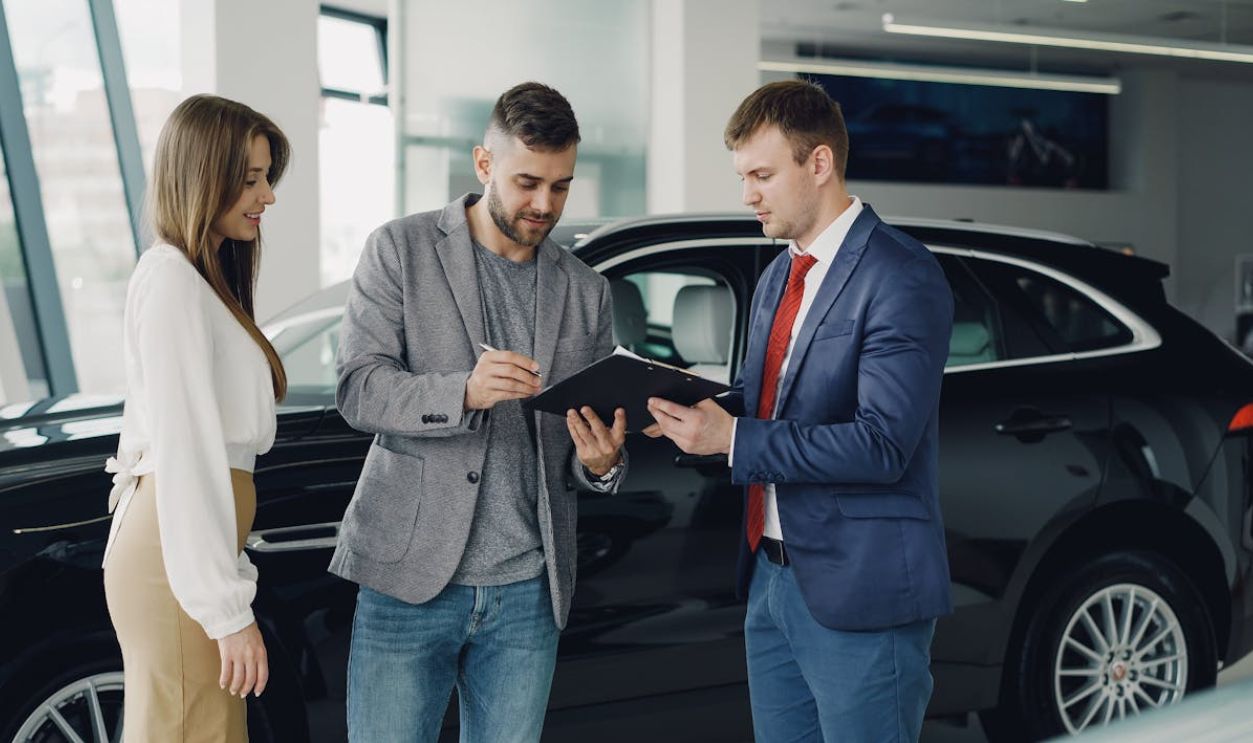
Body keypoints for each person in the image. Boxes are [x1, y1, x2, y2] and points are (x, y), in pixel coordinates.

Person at [645, 80, 954, 742]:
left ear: (818, 164)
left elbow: (880, 445)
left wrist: (733, 438)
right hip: (772, 581)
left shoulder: (900, 274)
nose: (747, 194)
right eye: (742, 176)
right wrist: (686, 408)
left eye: (761, 174)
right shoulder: (778, 276)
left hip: (859, 592)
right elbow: (764, 404)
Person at [329, 81, 627, 743]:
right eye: (527, 182)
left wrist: (601, 463)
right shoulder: (398, 250)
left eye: (561, 186)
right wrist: (461, 391)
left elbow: (587, 442)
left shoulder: (585, 291)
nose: (544, 204)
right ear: (484, 163)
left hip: (528, 589)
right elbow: (358, 388)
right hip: (409, 581)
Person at [102, 94, 290, 742]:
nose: (266, 195)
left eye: (267, 176)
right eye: (250, 179)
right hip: (174, 554)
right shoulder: (173, 280)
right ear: (201, 175)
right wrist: (226, 608)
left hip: (186, 549)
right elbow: (186, 453)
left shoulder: (197, 280)